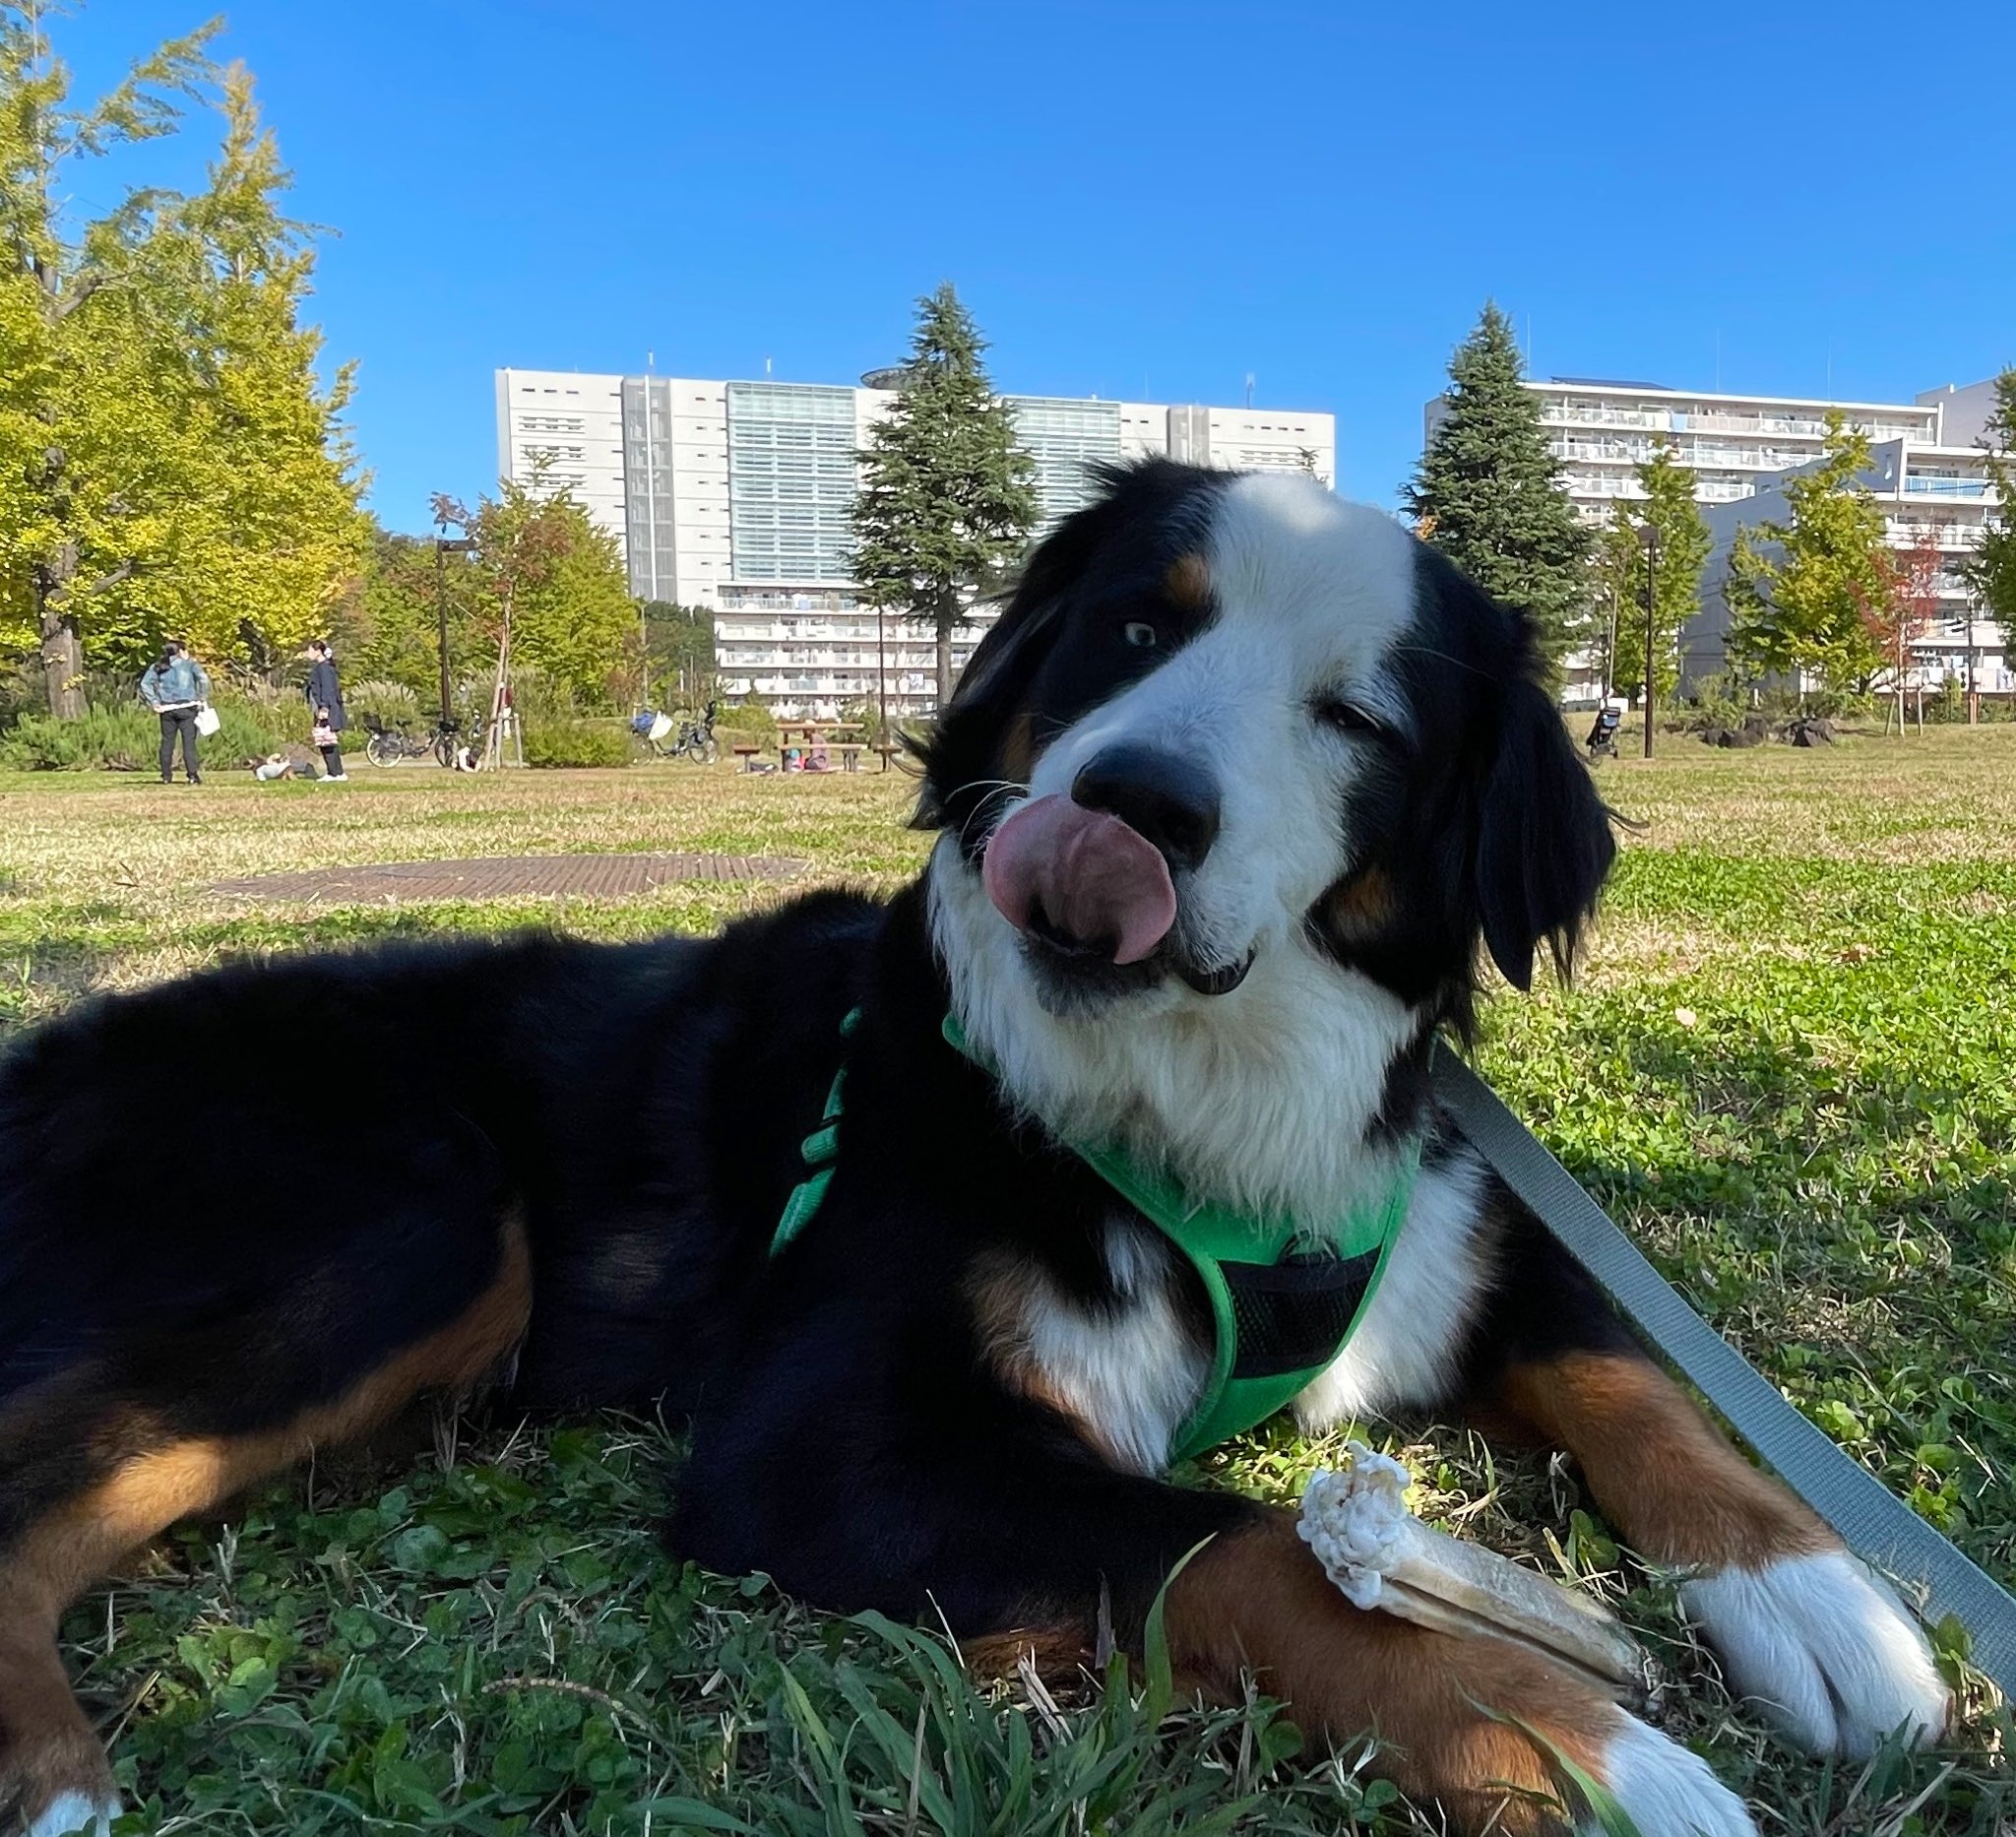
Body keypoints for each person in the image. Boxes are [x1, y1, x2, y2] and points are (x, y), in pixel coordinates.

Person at [139, 640, 211, 785]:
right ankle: (192, 775)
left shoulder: (159, 666)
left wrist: (154, 701)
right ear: (182, 651)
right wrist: (201, 698)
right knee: (188, 743)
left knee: (167, 742)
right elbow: (204, 680)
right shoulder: (190, 664)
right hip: (187, 707)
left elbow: (145, 683)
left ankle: (166, 775)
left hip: (166, 709)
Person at [305, 640, 348, 780]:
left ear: (318, 651)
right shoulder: (325, 667)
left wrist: (324, 707)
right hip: (325, 707)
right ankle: (336, 772)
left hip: (326, 708)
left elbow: (327, 689)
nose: (308, 654)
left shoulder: (323, 668)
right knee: (326, 740)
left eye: (310, 651)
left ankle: (335, 773)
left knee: (326, 740)